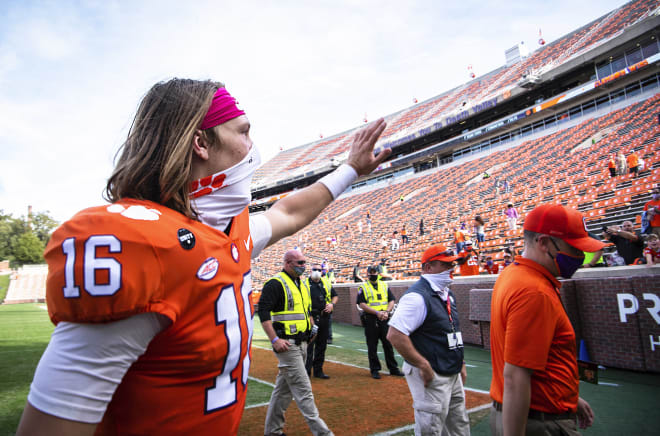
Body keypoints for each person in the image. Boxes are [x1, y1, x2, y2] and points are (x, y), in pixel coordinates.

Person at [16, 79, 390, 436]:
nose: (251, 145)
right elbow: (55, 422)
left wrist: (351, 170)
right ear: (201, 142)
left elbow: (288, 214)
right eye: (243, 131)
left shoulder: (225, 230)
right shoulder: (141, 243)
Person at [489, 203, 604, 436]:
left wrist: (567, 398)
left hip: (538, 411)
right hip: (538, 422)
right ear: (543, 243)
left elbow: (541, 360)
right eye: (573, 247)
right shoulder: (534, 290)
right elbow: (516, 376)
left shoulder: (516, 273)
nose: (580, 256)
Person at [387, 245, 469, 436]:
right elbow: (395, 334)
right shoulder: (416, 296)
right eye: (446, 265)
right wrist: (423, 365)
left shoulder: (447, 293)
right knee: (431, 428)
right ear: (428, 267)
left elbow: (451, 329)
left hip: (451, 370)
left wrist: (461, 361)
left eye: (453, 264)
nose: (452, 269)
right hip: (433, 372)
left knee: (459, 426)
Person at [258, 250, 332, 435]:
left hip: (303, 343)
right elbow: (264, 313)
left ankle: (272, 431)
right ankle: (323, 433)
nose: (303, 266)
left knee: (282, 392)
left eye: (304, 262)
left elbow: (305, 312)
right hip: (287, 345)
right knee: (304, 391)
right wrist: (274, 339)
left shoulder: (302, 284)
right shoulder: (275, 283)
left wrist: (311, 327)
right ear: (288, 263)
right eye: (299, 262)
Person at [357, 266, 404, 379]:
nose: (373, 274)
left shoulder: (384, 285)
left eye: (375, 272)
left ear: (378, 273)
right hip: (371, 319)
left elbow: (391, 300)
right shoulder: (363, 287)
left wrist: (387, 312)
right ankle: (375, 370)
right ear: (367, 274)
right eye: (371, 272)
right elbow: (361, 304)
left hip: (384, 318)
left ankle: (393, 368)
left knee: (388, 345)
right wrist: (377, 313)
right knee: (372, 346)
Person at [305, 264, 339, 378]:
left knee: (322, 345)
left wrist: (331, 305)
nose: (317, 271)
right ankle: (306, 371)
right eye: (314, 270)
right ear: (310, 271)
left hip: (324, 316)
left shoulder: (326, 282)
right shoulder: (304, 284)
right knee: (309, 345)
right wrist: (310, 319)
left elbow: (335, 296)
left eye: (319, 270)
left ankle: (318, 371)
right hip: (310, 317)